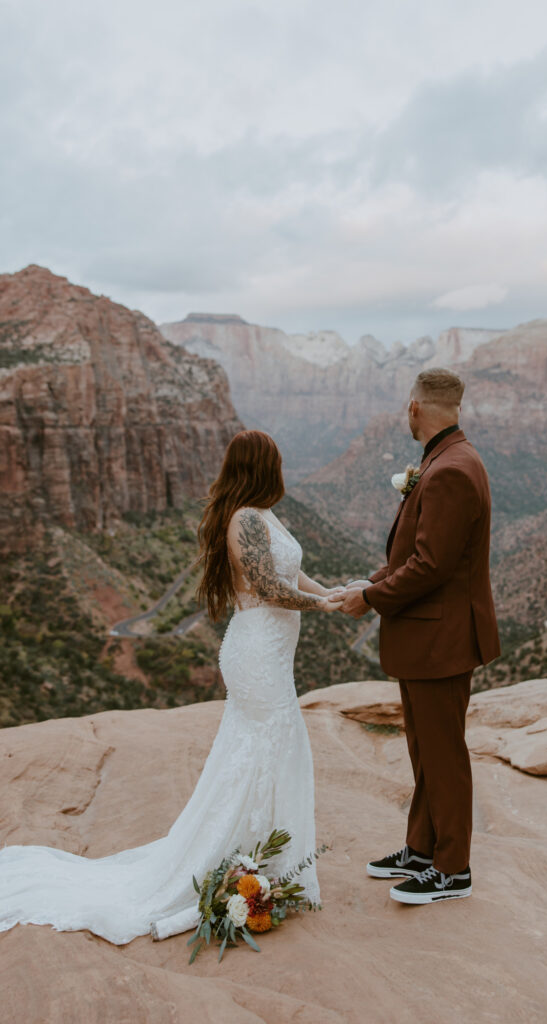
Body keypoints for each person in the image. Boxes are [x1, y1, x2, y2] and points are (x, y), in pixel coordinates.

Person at [0, 429, 339, 943]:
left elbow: (293, 571)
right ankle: (242, 867)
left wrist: (334, 591)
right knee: (269, 745)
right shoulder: (244, 518)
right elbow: (268, 586)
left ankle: (259, 863)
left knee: (271, 748)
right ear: (263, 466)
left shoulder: (261, 514)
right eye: (277, 462)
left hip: (272, 654)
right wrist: (329, 607)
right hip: (255, 654)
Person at [333, 368, 500, 905]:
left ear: (414, 409)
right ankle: (422, 850)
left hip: (441, 638)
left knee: (443, 753)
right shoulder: (449, 458)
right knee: (425, 749)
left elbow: (430, 566)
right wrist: (373, 580)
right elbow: (416, 556)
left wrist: (372, 599)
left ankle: (452, 869)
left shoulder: (450, 469)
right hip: (430, 637)